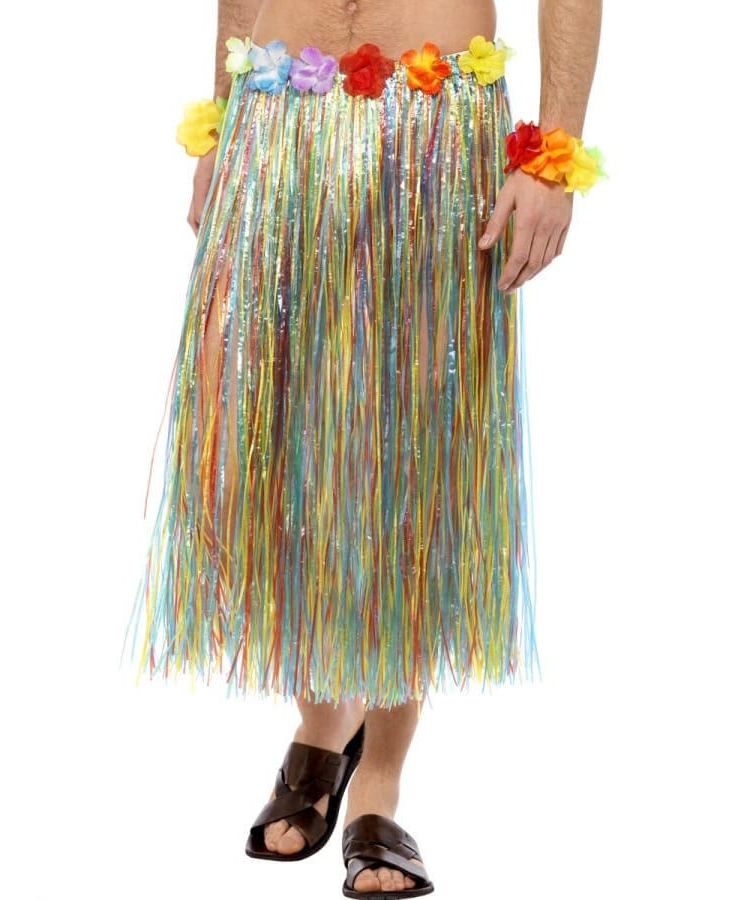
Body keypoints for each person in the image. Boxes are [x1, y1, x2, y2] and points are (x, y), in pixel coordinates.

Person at [126, 0, 602, 896]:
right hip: (276, 111)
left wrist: (554, 157)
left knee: (404, 456)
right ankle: (321, 719)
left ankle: (377, 778)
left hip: (433, 126)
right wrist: (220, 119)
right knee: (257, 449)